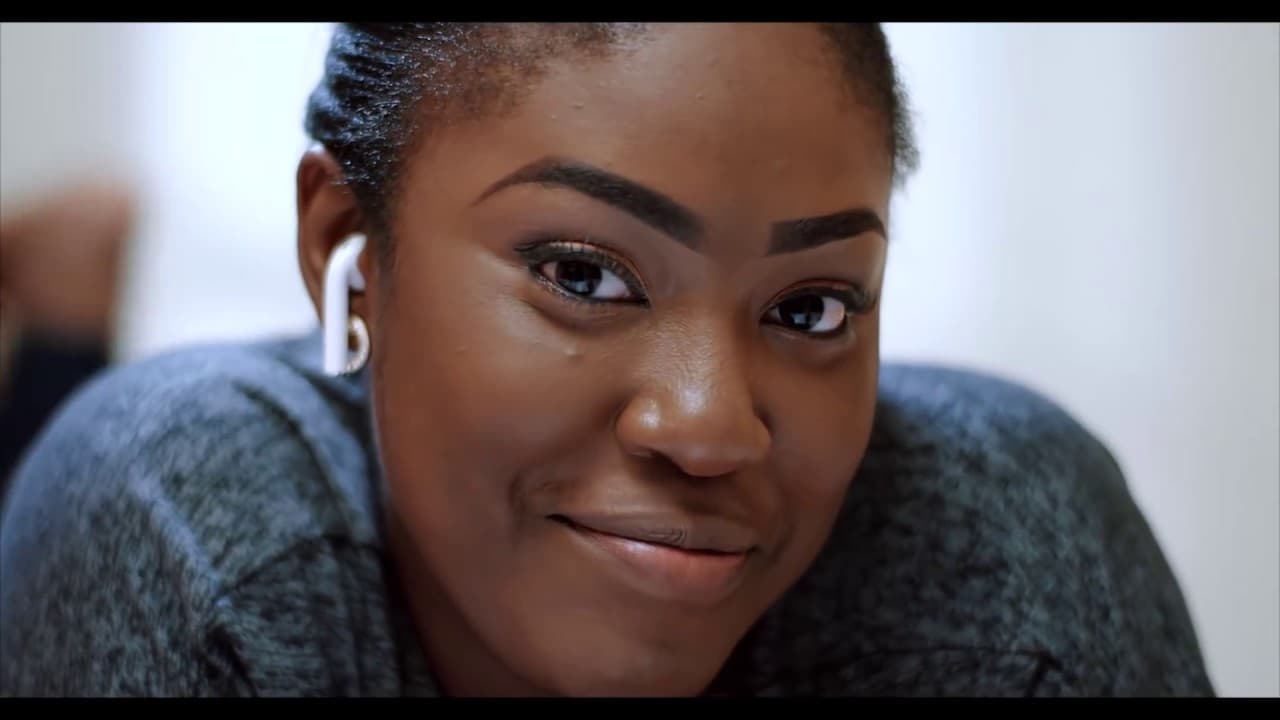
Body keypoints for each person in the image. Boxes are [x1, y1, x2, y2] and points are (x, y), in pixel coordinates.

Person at [0, 23, 1213, 697]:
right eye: (581, 275)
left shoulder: (1006, 556)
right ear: (344, 250)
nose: (709, 427)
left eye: (809, 308)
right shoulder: (185, 522)